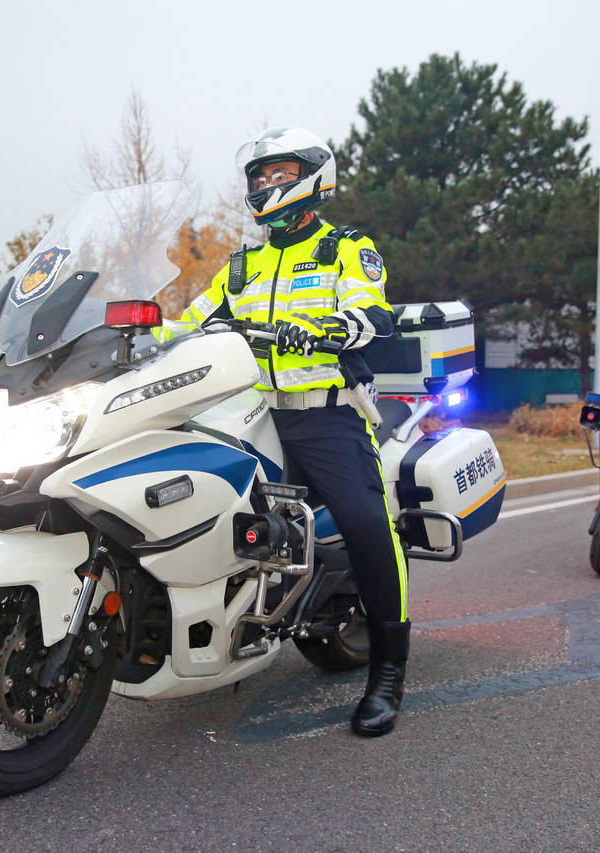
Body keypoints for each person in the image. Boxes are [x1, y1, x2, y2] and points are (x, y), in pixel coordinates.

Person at [171, 127, 410, 737]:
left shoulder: (344, 248)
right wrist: (135, 333)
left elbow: (371, 310)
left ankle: (387, 672)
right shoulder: (245, 262)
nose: (266, 185)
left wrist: (338, 328)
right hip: (254, 414)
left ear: (312, 177)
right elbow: (192, 323)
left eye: (278, 173)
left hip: (328, 418)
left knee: (366, 525)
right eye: (259, 176)